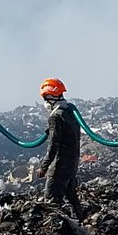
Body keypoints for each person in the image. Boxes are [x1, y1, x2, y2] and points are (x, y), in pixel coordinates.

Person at [36, 77, 85, 218]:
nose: (45, 102)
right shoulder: (69, 112)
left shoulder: (56, 117)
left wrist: (44, 166)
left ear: (50, 97)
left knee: (51, 202)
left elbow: (53, 145)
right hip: (72, 164)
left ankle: (59, 234)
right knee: (71, 197)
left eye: (45, 98)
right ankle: (81, 225)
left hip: (59, 165)